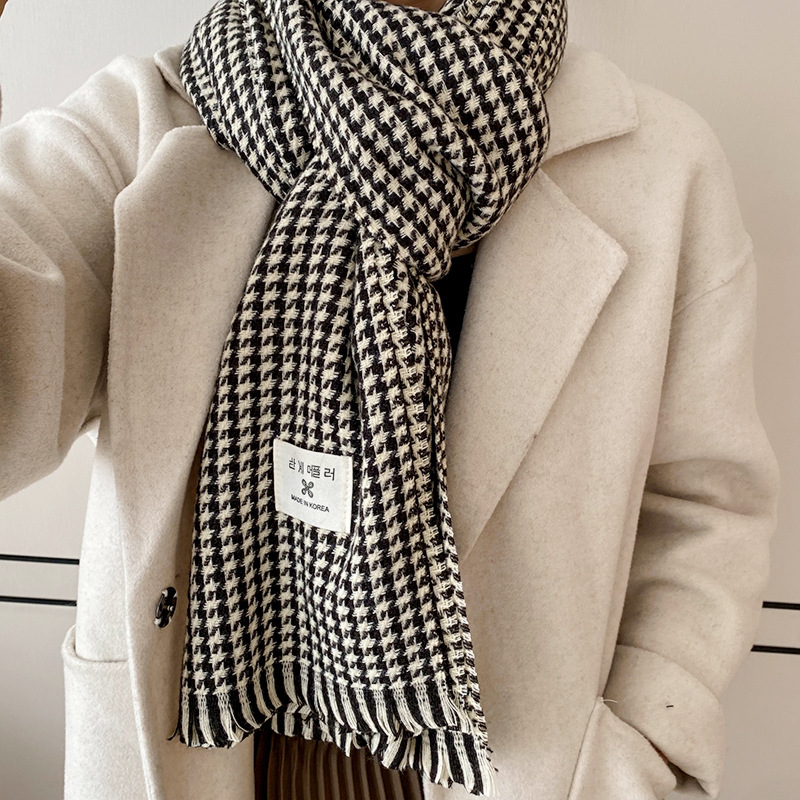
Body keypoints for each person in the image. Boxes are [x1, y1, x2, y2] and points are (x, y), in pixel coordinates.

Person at [0, 0, 780, 799]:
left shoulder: (661, 162)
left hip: (519, 765)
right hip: (208, 745)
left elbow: (704, 504)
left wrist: (645, 738)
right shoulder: (145, 121)